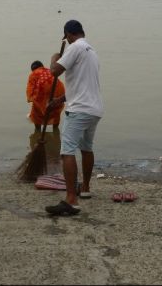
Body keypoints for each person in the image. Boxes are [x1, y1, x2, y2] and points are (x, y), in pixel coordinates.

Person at [44, 20, 103, 216]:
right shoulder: (91, 52)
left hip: (78, 110)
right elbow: (80, 87)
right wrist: (58, 100)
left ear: (68, 35)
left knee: (66, 152)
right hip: (93, 109)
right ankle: (84, 188)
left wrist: (54, 57)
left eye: (66, 37)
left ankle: (71, 200)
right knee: (86, 149)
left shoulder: (75, 47)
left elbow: (54, 71)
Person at [26, 60, 66, 132]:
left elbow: (30, 89)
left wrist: (31, 98)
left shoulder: (33, 74)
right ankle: (55, 130)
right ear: (42, 66)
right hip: (59, 90)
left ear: (32, 70)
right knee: (55, 110)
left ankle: (37, 131)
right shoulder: (50, 71)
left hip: (44, 90)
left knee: (36, 112)